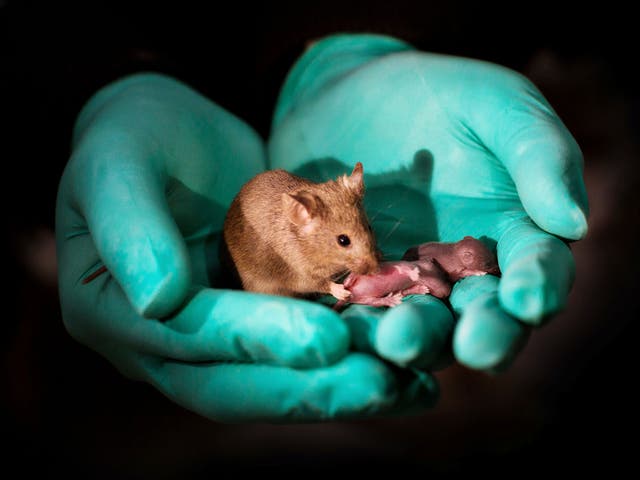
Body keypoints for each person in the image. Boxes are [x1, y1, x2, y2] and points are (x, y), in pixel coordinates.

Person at [55, 33, 588, 422]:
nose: (365, 252)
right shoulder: (300, 235)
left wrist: (327, 62)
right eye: (344, 242)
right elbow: (316, 266)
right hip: (267, 268)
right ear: (303, 218)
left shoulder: (342, 203)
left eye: (362, 237)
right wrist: (122, 73)